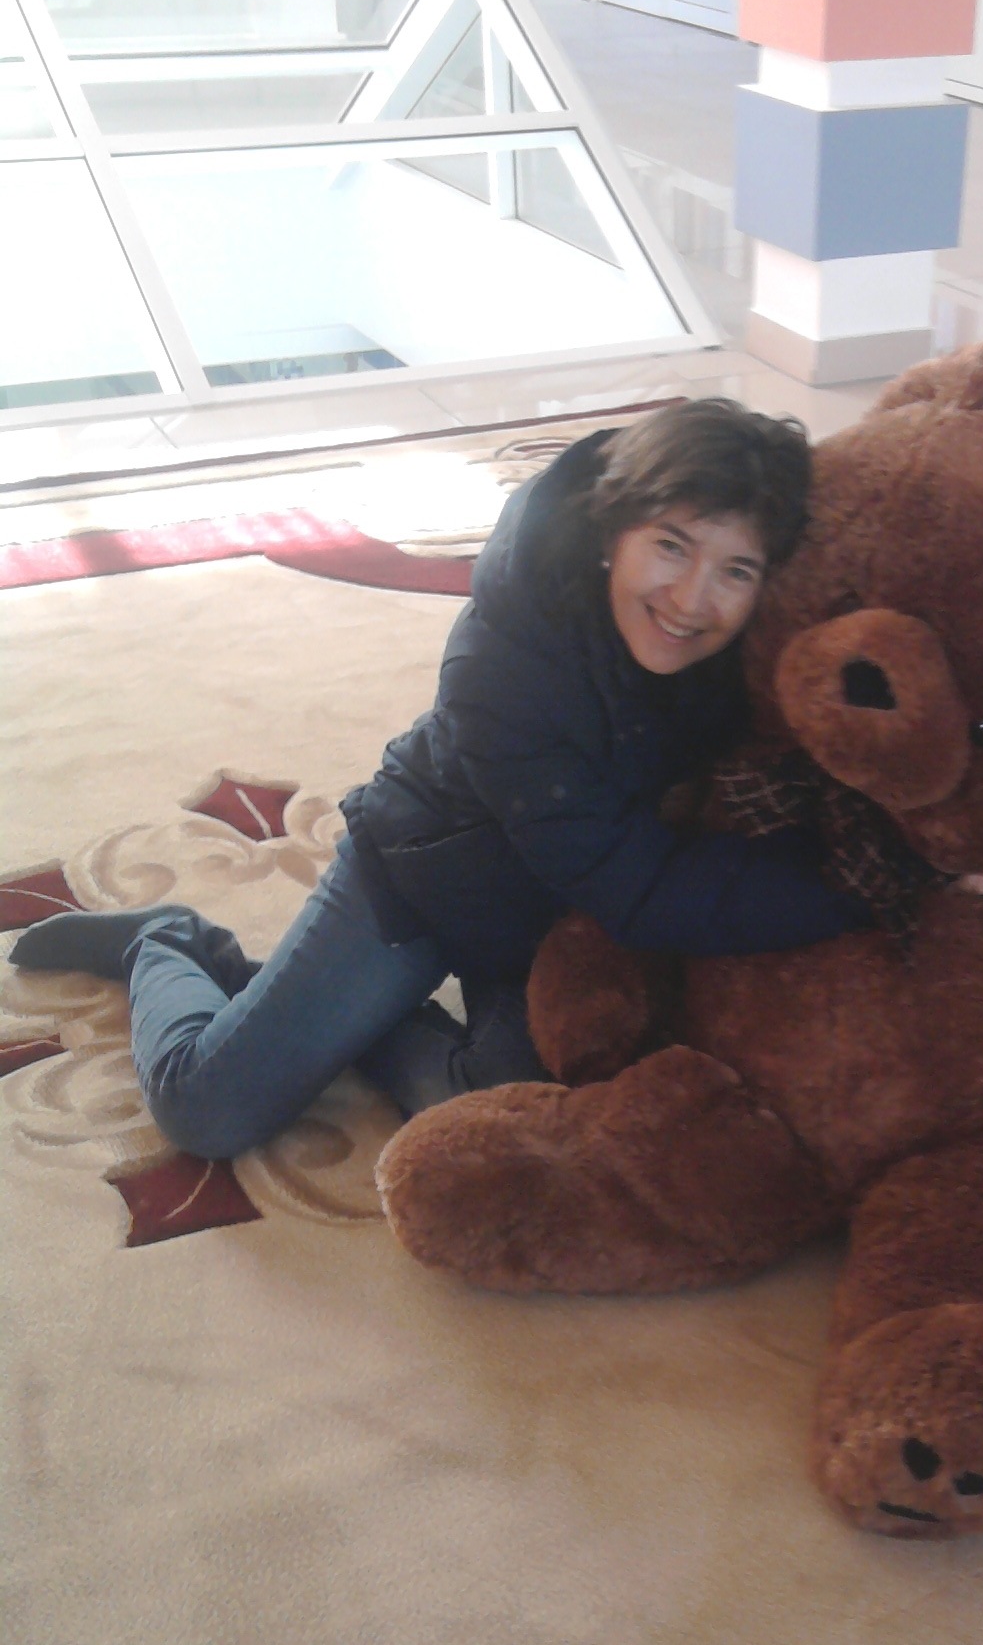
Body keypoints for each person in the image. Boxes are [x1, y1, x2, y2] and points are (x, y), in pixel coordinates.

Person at [11, 401, 867, 1160]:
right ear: (612, 533)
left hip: (548, 923)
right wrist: (852, 885)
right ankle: (165, 942)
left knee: (502, 1112)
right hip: (418, 881)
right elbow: (636, 885)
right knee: (208, 1111)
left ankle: (326, 1017)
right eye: (671, 546)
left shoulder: (746, 654)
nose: (692, 598)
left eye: (736, 570)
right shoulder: (507, 659)